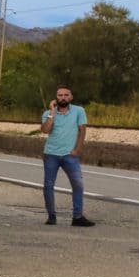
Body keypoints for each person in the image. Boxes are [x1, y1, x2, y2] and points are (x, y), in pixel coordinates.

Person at [40, 86, 94, 227]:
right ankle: (51, 216)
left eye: (65, 95)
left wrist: (77, 150)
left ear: (71, 97)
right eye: (59, 95)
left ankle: (77, 217)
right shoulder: (48, 113)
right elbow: (46, 130)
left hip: (70, 155)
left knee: (78, 184)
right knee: (48, 186)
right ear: (56, 97)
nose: (62, 98)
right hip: (51, 154)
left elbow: (82, 131)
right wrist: (52, 112)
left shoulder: (79, 111)